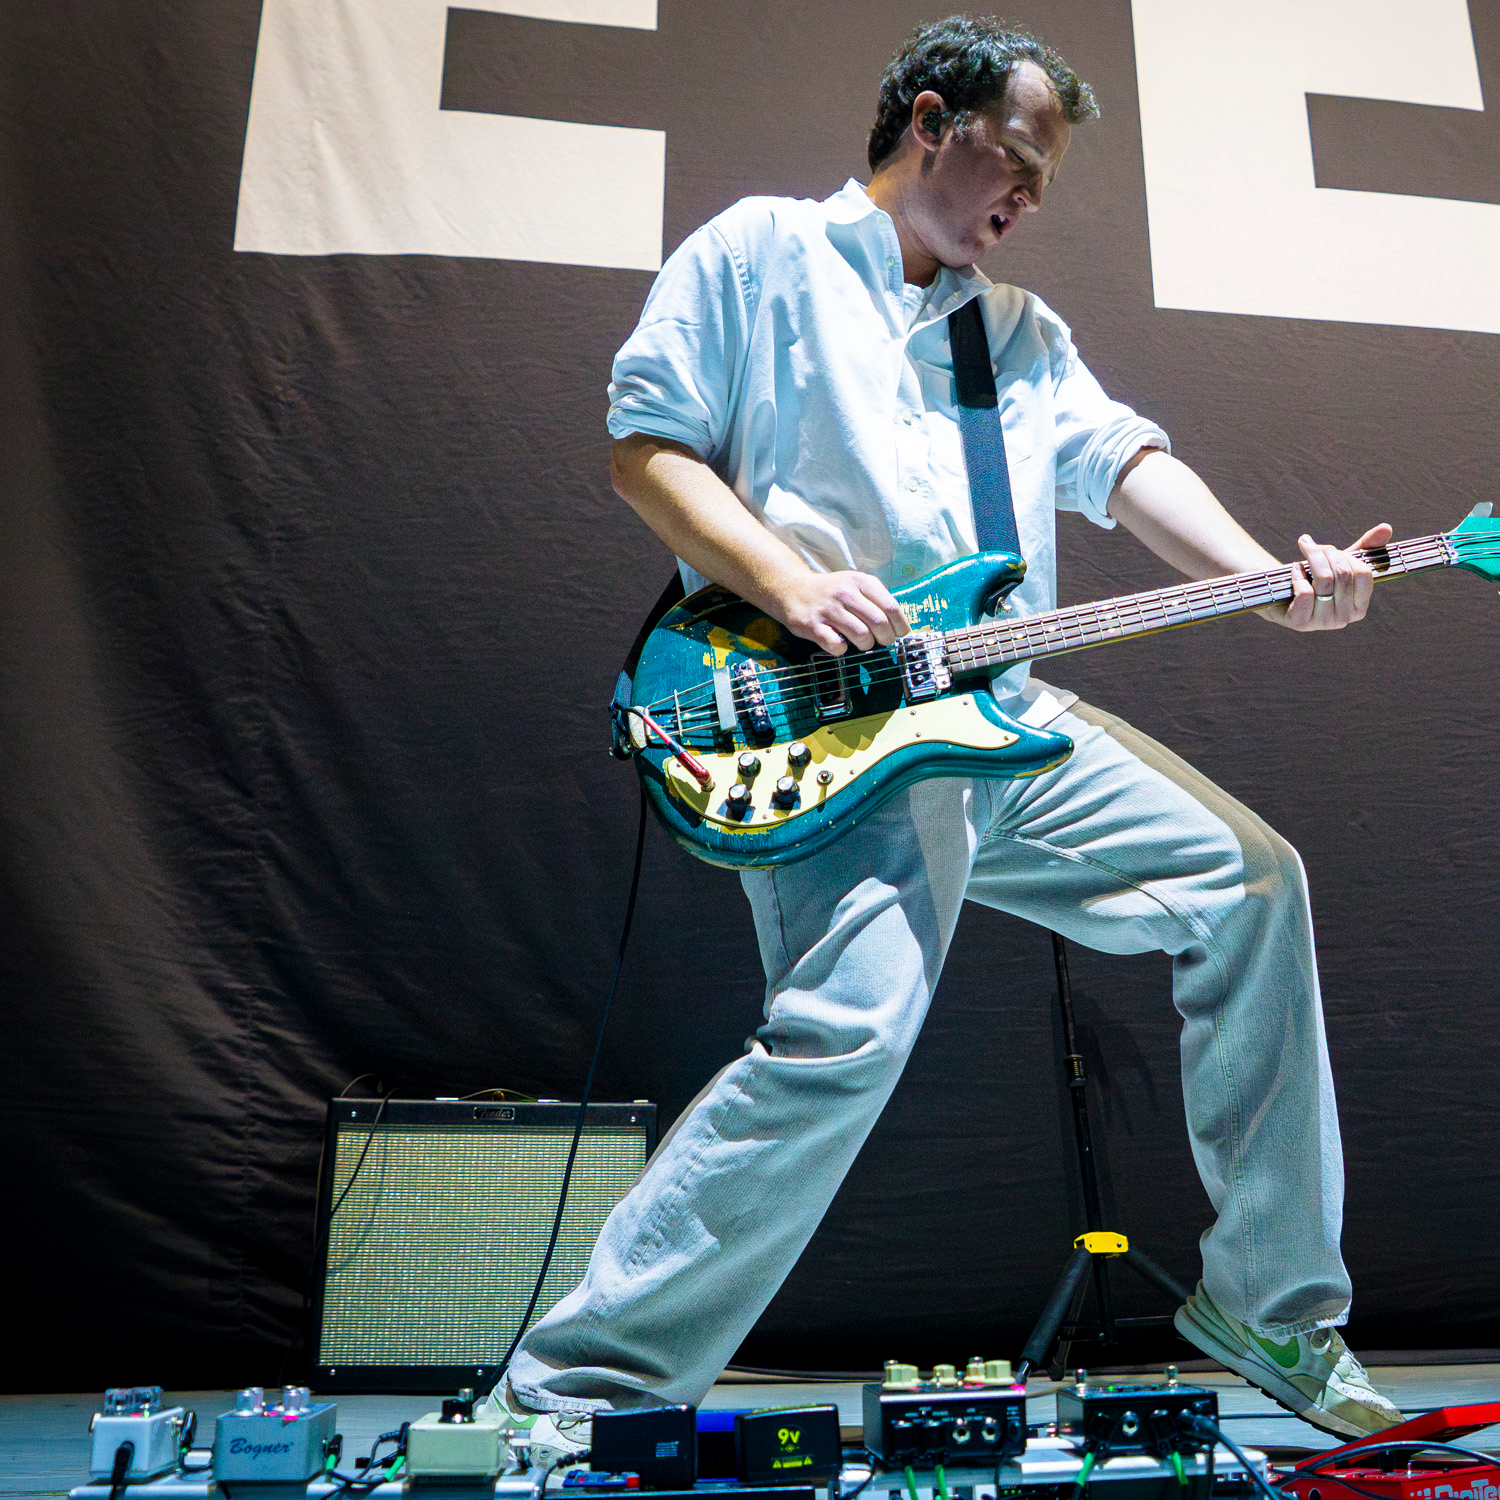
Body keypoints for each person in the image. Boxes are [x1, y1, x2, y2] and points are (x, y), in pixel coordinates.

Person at [480, 15, 1402, 1465]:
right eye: (1016, 161)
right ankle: (571, 1390)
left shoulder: (1017, 331)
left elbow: (1121, 460)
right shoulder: (760, 255)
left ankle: (1270, 1306)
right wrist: (787, 582)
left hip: (1004, 713)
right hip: (834, 723)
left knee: (1249, 880)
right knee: (840, 1038)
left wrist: (1268, 580)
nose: (1027, 198)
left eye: (1043, 182)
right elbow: (646, 449)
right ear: (930, 121)